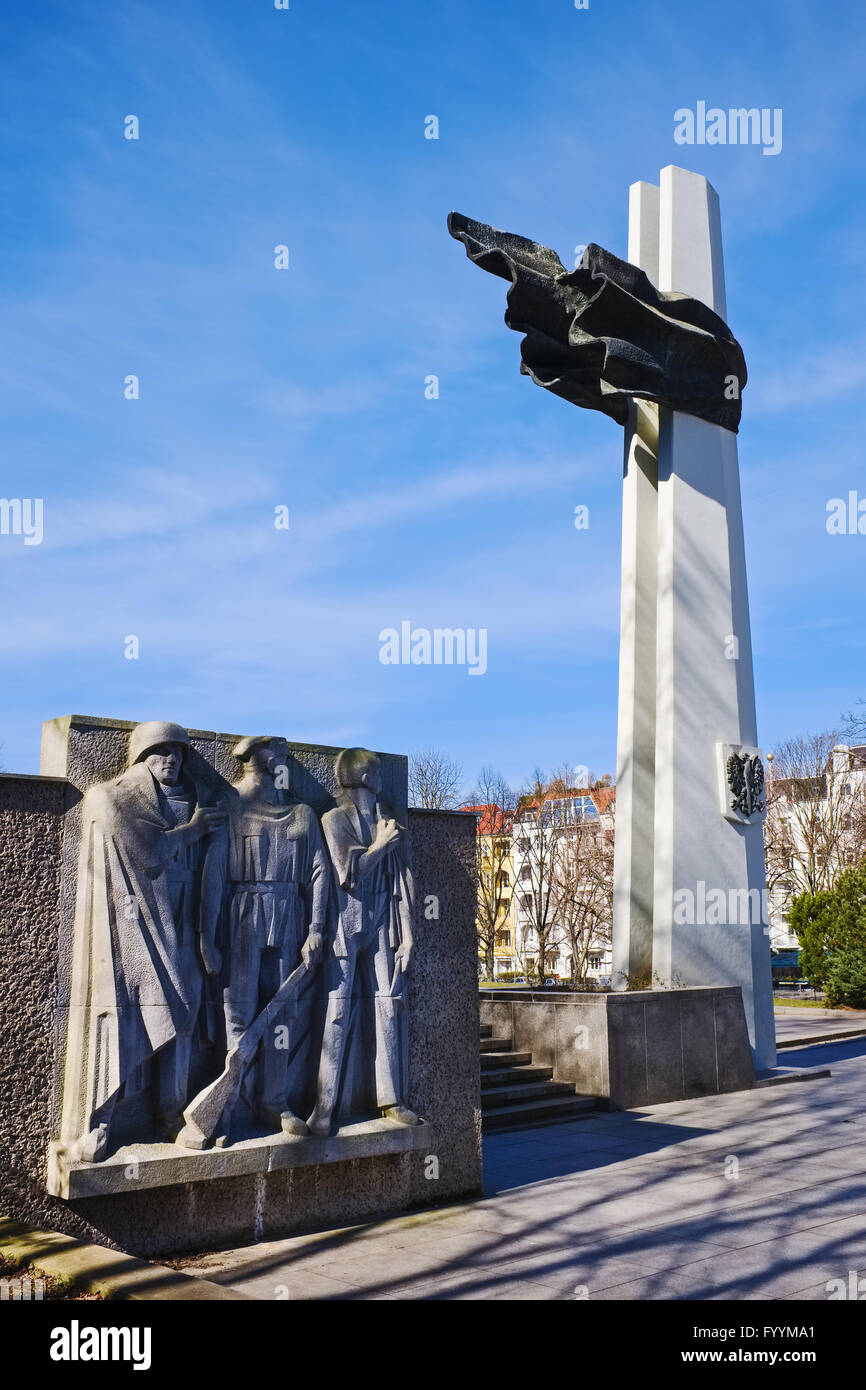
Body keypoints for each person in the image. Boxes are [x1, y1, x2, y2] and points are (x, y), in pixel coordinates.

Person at [60, 722, 226, 1162]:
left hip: (184, 923)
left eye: (178, 753)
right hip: (132, 928)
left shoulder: (197, 800)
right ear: (141, 758)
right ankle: (100, 1120)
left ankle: (171, 1112)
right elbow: (143, 849)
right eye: (160, 752)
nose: (172, 760)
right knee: (123, 1017)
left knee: (186, 1013)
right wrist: (191, 832)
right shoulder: (111, 797)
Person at [214, 736, 329, 1137]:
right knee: (238, 1014)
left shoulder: (301, 815)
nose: (283, 767)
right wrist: (205, 937)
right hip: (243, 915)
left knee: (282, 1015)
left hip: (289, 916)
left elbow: (319, 873)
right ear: (260, 764)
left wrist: (315, 929)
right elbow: (213, 878)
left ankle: (274, 1102)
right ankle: (226, 1107)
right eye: (277, 760)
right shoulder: (230, 808)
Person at [308, 748, 419, 1136]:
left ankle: (392, 1100)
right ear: (367, 777)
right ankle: (323, 1109)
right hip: (344, 929)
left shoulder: (389, 820)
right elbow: (347, 872)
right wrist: (382, 845)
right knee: (336, 1014)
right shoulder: (333, 819)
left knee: (388, 1009)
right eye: (377, 772)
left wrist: (408, 937)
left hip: (383, 926)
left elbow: (405, 885)